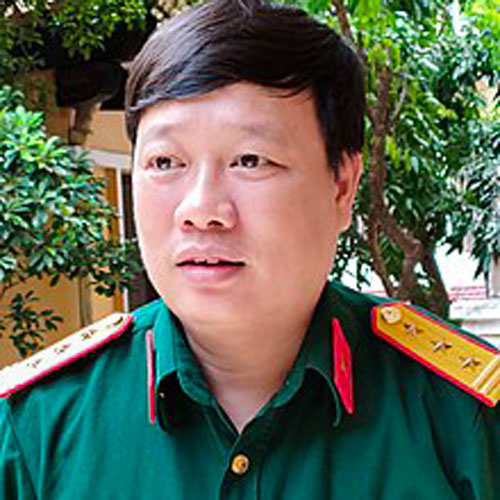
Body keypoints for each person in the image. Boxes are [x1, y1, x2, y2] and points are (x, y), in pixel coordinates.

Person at [1, 0, 498, 498]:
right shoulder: (32, 430)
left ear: (342, 186)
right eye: (165, 161)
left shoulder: (465, 420)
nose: (200, 209)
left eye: (251, 160)